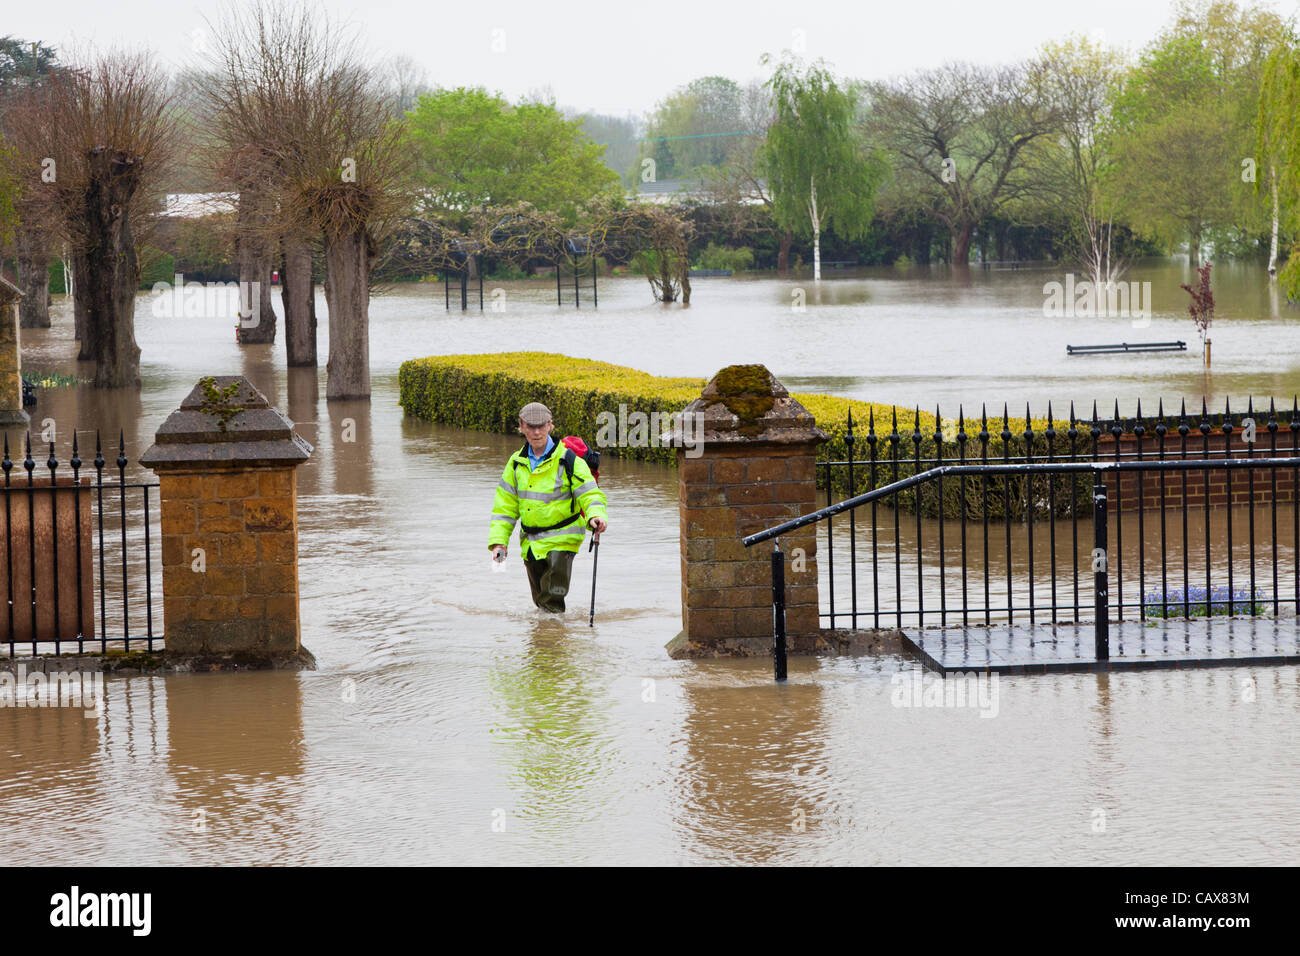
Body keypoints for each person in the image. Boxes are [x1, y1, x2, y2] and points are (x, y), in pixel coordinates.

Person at [490, 402, 608, 612]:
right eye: (531, 426)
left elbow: (590, 493)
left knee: (551, 601)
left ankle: (551, 642)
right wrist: (500, 542)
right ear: (521, 427)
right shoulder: (516, 463)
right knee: (541, 603)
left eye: (541, 426)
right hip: (531, 544)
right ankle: (545, 639)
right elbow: (504, 506)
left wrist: (595, 516)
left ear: (550, 426)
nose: (536, 432)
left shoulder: (569, 460)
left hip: (563, 540)